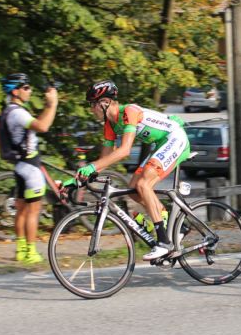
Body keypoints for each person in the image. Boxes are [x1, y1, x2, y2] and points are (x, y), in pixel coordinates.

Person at [78, 80, 190, 260]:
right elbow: (105, 159)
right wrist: (86, 175)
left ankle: (164, 242)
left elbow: (124, 151)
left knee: (144, 184)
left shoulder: (129, 112)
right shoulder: (109, 125)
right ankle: (177, 227)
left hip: (175, 138)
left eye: (93, 105)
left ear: (105, 103)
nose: (91, 109)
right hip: (160, 144)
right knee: (133, 189)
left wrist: (91, 167)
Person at [0, 73, 58, 264]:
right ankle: (31, 253)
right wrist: (52, 104)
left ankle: (21, 250)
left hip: (20, 166)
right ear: (15, 91)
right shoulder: (18, 113)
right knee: (33, 211)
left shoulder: (9, 111)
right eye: (25, 87)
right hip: (31, 168)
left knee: (22, 210)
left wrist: (48, 106)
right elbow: (43, 126)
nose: (29, 91)